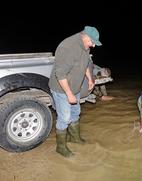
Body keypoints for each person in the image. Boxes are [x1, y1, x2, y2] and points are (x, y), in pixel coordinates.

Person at [49, 25, 102, 157]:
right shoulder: (68, 47)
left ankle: (75, 138)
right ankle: (60, 147)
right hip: (62, 89)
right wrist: (69, 94)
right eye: (92, 42)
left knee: (75, 113)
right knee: (65, 117)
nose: (93, 46)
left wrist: (90, 79)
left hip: (75, 87)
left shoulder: (85, 46)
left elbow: (84, 65)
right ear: (86, 37)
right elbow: (60, 75)